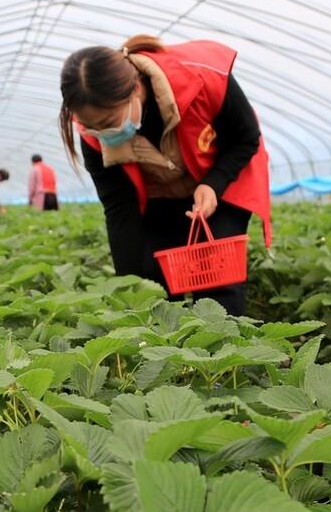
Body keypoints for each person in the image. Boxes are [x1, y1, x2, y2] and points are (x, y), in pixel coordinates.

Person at [59, 35, 271, 316]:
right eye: (90, 126)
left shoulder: (202, 76)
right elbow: (119, 208)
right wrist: (131, 286)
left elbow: (246, 137)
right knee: (151, 279)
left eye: (109, 123)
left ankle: (222, 352)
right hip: (160, 194)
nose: (103, 134)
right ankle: (166, 349)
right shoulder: (93, 133)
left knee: (217, 279)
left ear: (136, 87)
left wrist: (213, 183)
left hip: (223, 179)